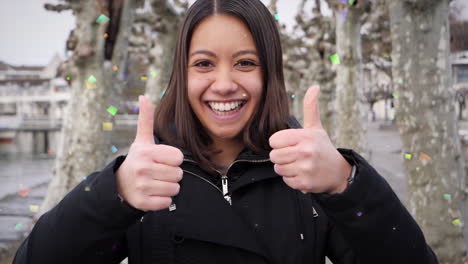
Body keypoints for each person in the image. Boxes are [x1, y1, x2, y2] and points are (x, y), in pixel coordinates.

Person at [14, 0, 439, 263]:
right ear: (181, 74)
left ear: (270, 74)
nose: (223, 84)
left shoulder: (310, 175)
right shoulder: (147, 175)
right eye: (203, 64)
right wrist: (113, 192)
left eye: (245, 63)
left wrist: (348, 183)